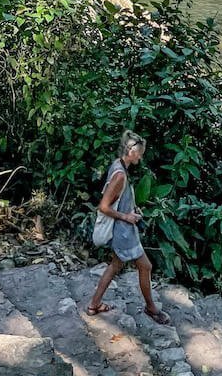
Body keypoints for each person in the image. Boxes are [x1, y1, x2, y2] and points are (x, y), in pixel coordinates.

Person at [86, 130, 170, 324]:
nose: (141, 156)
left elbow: (117, 198)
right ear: (131, 152)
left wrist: (130, 208)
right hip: (123, 233)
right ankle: (151, 308)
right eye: (140, 152)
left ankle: (94, 304)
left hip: (122, 230)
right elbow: (104, 206)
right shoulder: (120, 175)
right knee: (145, 266)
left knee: (115, 265)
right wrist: (126, 216)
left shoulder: (118, 166)